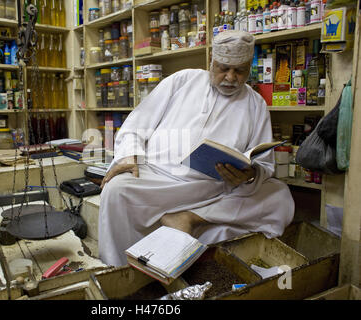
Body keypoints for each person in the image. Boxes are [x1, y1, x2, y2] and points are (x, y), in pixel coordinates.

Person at [98, 31, 295, 267]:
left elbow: (264, 164)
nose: (231, 77)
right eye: (223, 68)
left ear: (249, 68)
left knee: (279, 196)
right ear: (211, 61)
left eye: (240, 70)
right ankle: (119, 271)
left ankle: (188, 217)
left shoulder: (255, 104)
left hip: (213, 190)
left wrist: (250, 174)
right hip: (158, 181)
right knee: (116, 190)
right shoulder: (182, 80)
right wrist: (128, 155)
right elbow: (136, 124)